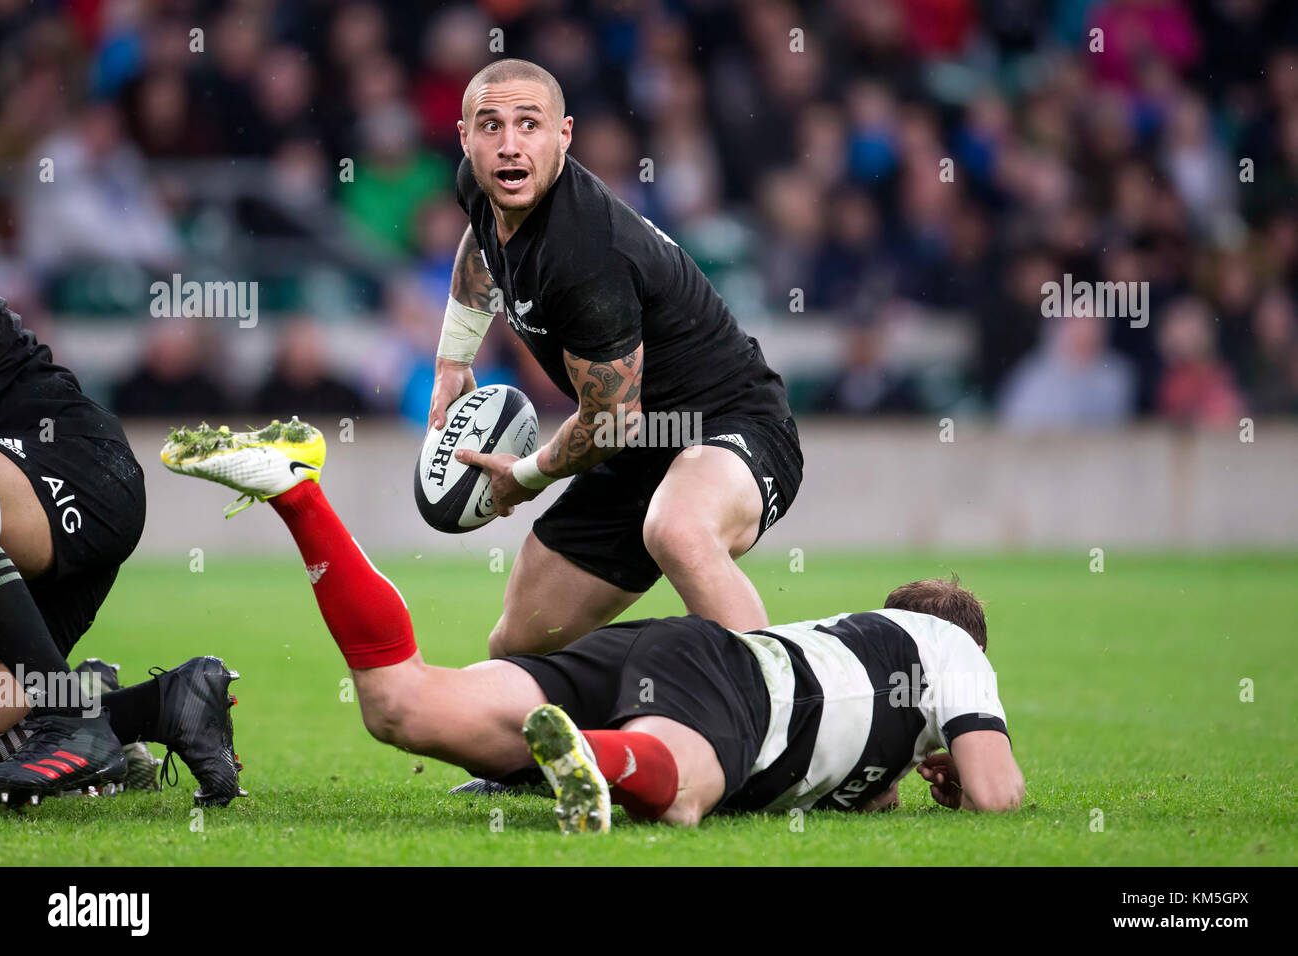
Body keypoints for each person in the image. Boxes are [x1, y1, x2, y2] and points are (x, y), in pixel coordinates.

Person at [162, 419, 1023, 833]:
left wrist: (907, 772)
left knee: (404, 705)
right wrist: (960, 759)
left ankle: (298, 492)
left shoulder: (863, 674)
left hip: (656, 650)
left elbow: (857, 778)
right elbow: (998, 796)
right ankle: (596, 758)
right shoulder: (951, 650)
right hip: (727, 684)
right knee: (682, 792)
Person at [427, 59, 803, 658]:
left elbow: (610, 422)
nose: (509, 145)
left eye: (529, 125)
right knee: (519, 644)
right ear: (464, 136)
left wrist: (524, 477)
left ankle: (790, 723)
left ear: (565, 135)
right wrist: (452, 360)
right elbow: (482, 234)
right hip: (634, 449)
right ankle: (573, 750)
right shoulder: (483, 183)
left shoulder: (585, 254)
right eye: (490, 126)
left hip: (731, 425)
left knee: (677, 531)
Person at [0, 297, 242, 806]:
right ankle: (158, 708)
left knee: (47, 707)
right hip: (25, 540)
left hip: (71, 467)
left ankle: (67, 717)